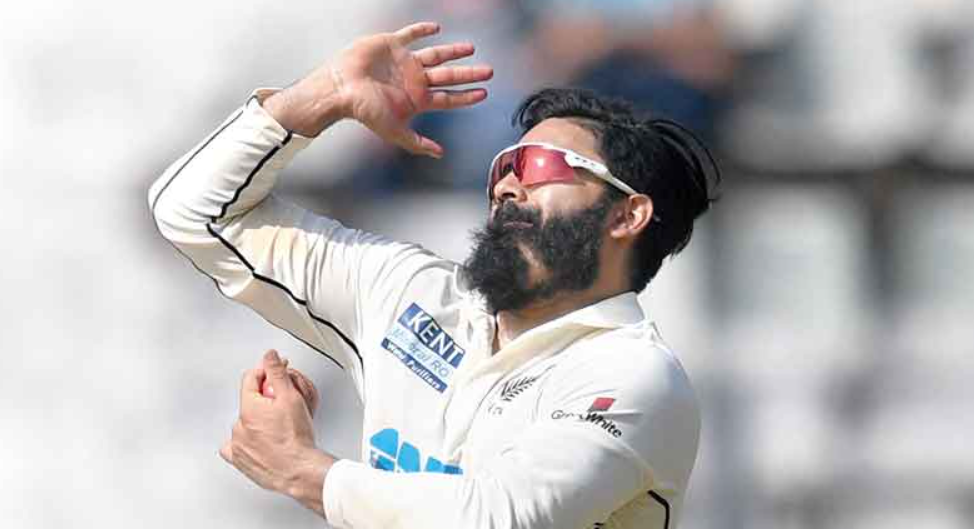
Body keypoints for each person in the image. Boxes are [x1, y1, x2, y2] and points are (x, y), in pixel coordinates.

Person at [148, 21, 718, 529]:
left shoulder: (635, 376)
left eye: (540, 166)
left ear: (627, 214)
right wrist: (317, 99)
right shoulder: (407, 292)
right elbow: (192, 213)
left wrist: (303, 472)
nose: (507, 185)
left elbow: (499, 519)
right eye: (505, 165)